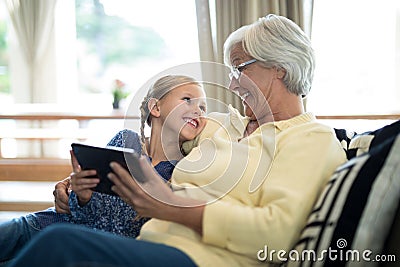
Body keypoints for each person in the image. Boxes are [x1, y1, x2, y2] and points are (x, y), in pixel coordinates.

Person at [7, 14, 347, 267]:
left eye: (239, 68)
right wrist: (79, 182)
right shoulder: (218, 125)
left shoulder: (311, 140)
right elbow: (150, 144)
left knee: (61, 244)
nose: (231, 85)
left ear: (279, 68)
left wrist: (171, 207)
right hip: (153, 242)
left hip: (202, 259)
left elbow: (279, 233)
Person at [0, 74, 207, 265]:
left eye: (203, 108)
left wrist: (85, 200)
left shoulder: (181, 171)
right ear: (156, 107)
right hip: (43, 224)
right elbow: (83, 206)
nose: (198, 110)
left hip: (78, 248)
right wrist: (82, 196)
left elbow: (123, 231)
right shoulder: (126, 140)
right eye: (188, 99)